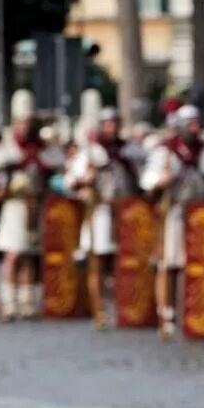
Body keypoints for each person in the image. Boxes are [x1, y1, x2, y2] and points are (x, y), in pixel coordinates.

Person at [141, 105, 204, 339]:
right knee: (169, 265)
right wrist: (160, 181)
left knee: (194, 266)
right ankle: (166, 313)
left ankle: (193, 311)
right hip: (175, 212)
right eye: (190, 123)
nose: (195, 127)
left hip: (200, 215)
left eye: (196, 122)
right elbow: (148, 181)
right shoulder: (167, 152)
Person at [0, 91, 63, 322]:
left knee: (31, 255)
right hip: (15, 205)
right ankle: (9, 303)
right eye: (22, 122)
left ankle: (27, 301)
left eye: (29, 122)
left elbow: (58, 164)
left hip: (37, 206)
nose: (25, 127)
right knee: (13, 254)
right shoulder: (8, 147)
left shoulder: (44, 148)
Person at [66, 108, 141, 330]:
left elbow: (142, 181)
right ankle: (98, 310)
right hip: (99, 212)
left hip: (125, 213)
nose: (112, 128)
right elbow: (70, 181)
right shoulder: (91, 152)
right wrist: (84, 179)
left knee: (121, 263)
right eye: (107, 124)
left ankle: (123, 307)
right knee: (97, 262)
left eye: (115, 123)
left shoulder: (128, 151)